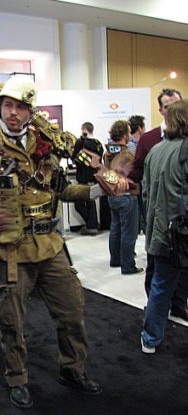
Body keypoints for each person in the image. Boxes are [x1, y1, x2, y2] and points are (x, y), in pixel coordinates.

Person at [0, 74, 102, 409]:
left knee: (72, 312)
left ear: (29, 111)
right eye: (7, 105)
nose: (13, 112)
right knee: (12, 320)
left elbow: (62, 190)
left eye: (20, 107)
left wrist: (96, 190)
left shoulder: (46, 145)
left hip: (51, 246)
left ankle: (73, 368)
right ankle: (17, 377)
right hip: (11, 249)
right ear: (0, 109)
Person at [129, 88, 188, 321]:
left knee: (182, 271)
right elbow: (136, 172)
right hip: (158, 218)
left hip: (180, 220)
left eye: (178, 104)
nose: (174, 109)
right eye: (169, 105)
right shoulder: (149, 139)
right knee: (157, 269)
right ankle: (155, 311)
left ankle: (177, 305)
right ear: (161, 110)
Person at [141, 99, 188, 353]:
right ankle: (150, 336)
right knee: (164, 282)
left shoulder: (156, 150)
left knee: (162, 281)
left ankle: (152, 336)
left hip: (159, 229)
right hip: (178, 232)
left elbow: (146, 193)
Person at [104, 120, 143, 274]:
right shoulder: (127, 153)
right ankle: (128, 265)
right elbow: (135, 174)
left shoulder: (107, 152)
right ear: (125, 134)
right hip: (127, 195)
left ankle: (115, 260)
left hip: (113, 195)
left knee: (115, 228)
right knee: (129, 231)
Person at [72, 122, 104, 235]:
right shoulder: (98, 144)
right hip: (95, 177)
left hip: (83, 178)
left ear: (83, 129)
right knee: (91, 202)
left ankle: (92, 226)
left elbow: (75, 158)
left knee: (79, 204)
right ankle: (93, 225)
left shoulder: (81, 144)